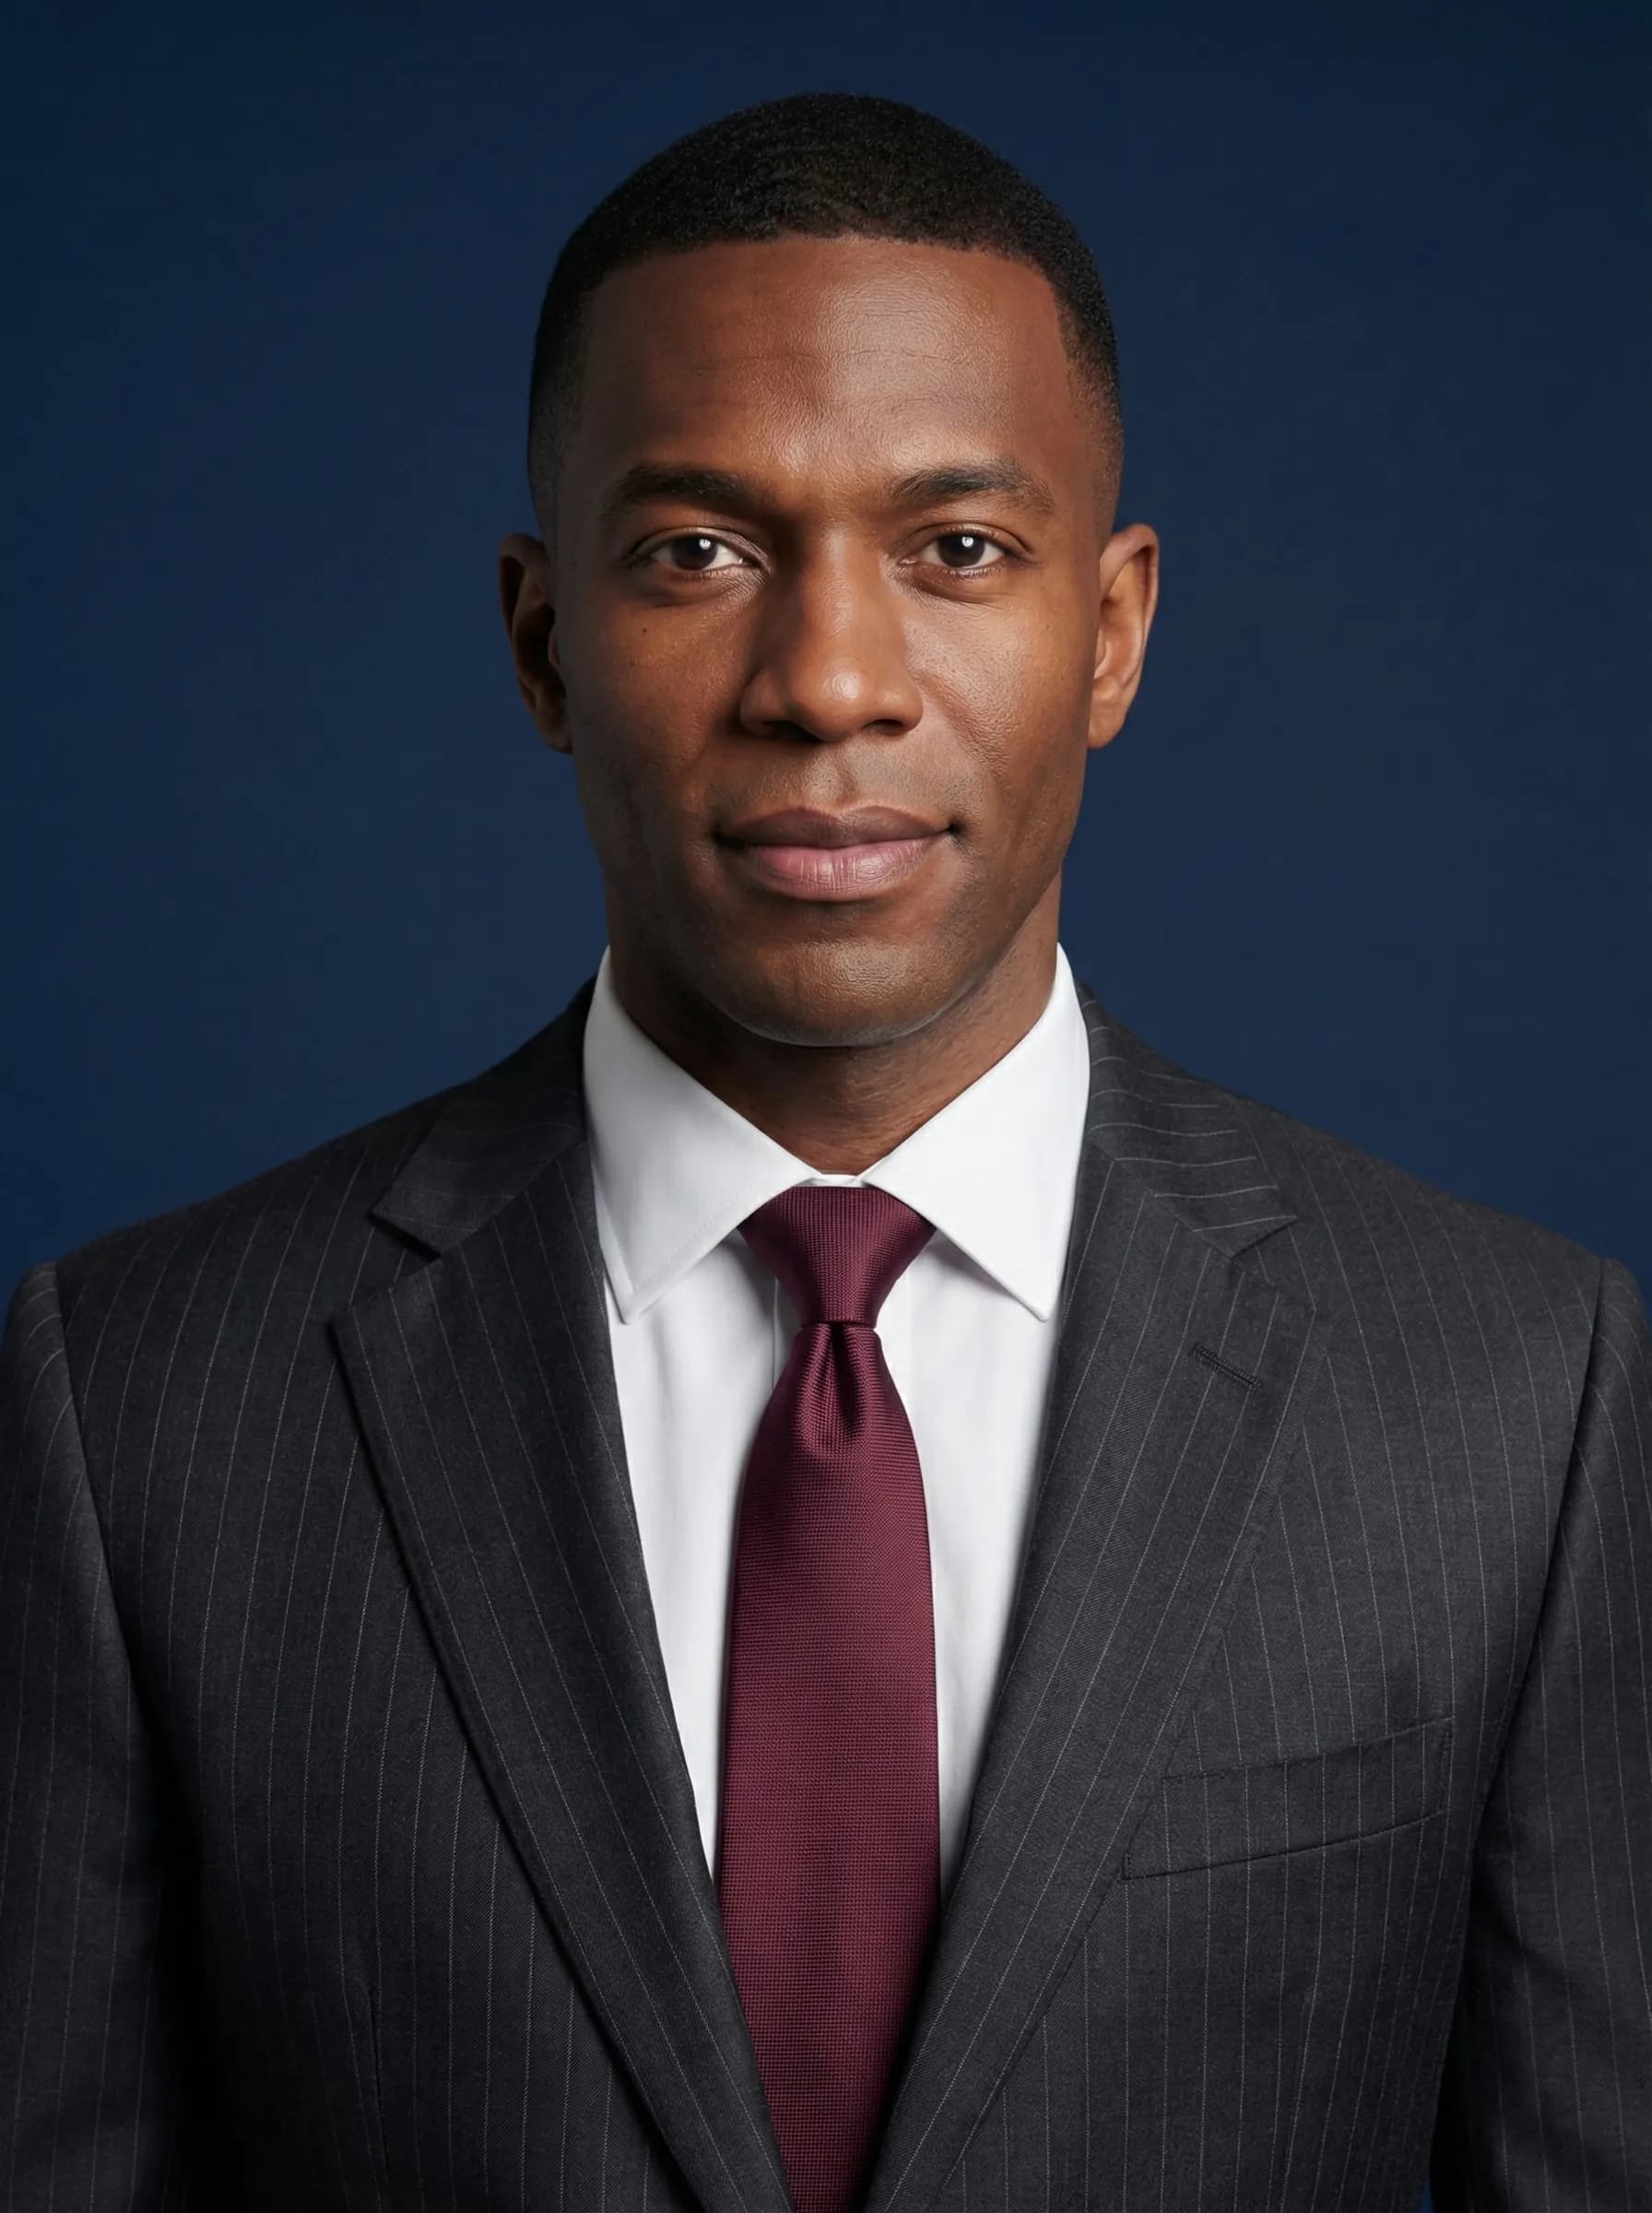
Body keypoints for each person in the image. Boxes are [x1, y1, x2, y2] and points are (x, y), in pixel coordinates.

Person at [1, 87, 1646, 2213]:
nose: (829, 680)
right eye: (698, 553)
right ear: (539, 645)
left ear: (1114, 630)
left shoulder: (1516, 1392)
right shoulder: (132, 1405)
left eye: (956, 550)